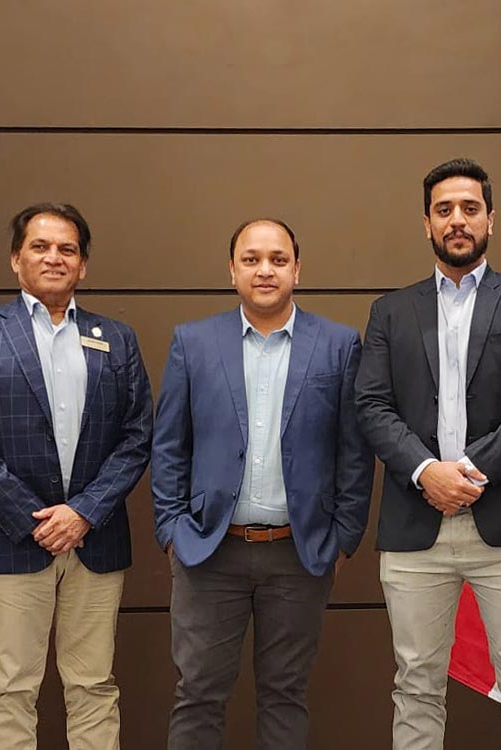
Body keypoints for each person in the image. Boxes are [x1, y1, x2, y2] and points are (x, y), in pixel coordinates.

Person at [354, 158, 501, 749]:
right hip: (416, 525)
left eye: (470, 208)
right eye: (444, 210)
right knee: (416, 685)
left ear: (491, 219)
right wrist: (427, 472)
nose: (457, 220)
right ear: (426, 223)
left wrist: (473, 471)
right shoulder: (391, 311)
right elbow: (371, 406)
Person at [0, 202, 153, 750]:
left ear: (82, 265)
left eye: (67, 249)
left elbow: (137, 435)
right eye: (40, 246)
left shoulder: (118, 338)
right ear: (16, 259)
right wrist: (30, 516)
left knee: (94, 684)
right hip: (13, 539)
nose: (53, 258)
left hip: (95, 538)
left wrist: (83, 512)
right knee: (11, 688)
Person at [152, 218, 373, 750]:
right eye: (251, 259)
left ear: (298, 268)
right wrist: (172, 530)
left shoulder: (339, 345)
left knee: (285, 694)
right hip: (210, 553)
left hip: (298, 555)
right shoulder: (193, 342)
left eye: (277, 259)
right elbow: (169, 446)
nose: (265, 270)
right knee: (199, 694)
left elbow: (355, 452)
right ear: (232, 271)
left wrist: (342, 537)